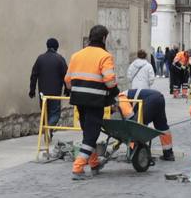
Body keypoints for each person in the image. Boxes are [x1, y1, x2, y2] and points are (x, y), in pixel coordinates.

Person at [65, 25, 119, 181]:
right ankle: (78, 167)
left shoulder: (76, 55)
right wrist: (115, 92)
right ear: (103, 38)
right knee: (92, 133)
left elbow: (68, 81)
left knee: (87, 132)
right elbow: (109, 81)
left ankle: (94, 164)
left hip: (79, 100)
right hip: (96, 100)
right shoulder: (105, 56)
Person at [122, 87, 175, 161]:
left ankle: (134, 153)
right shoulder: (126, 95)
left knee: (135, 127)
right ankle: (168, 154)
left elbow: (130, 119)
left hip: (150, 100)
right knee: (162, 126)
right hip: (159, 97)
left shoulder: (120, 98)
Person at [29, 37, 68, 126]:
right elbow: (66, 75)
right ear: (57, 47)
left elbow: (34, 75)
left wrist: (32, 90)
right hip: (55, 94)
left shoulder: (40, 59)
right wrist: (67, 89)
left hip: (43, 93)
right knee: (55, 114)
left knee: (44, 113)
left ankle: (47, 133)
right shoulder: (60, 59)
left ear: (47, 46)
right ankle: (49, 130)